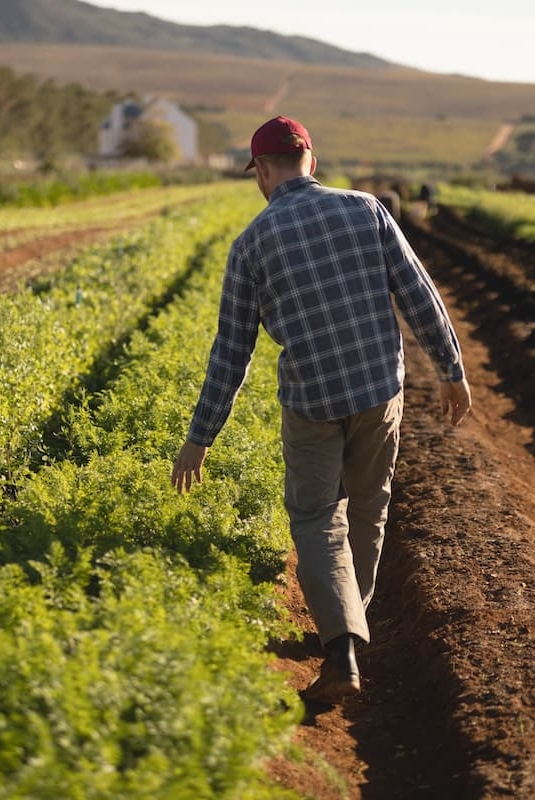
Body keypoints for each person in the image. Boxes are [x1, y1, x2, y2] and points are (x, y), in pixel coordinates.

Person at [171, 116, 471, 705]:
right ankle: (351, 631)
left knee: (315, 518)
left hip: (311, 399)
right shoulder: (367, 210)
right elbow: (417, 291)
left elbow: (231, 354)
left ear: (260, 169)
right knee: (369, 506)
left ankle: (340, 649)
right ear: (312, 157)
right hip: (379, 389)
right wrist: (451, 368)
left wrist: (198, 438)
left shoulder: (251, 244)